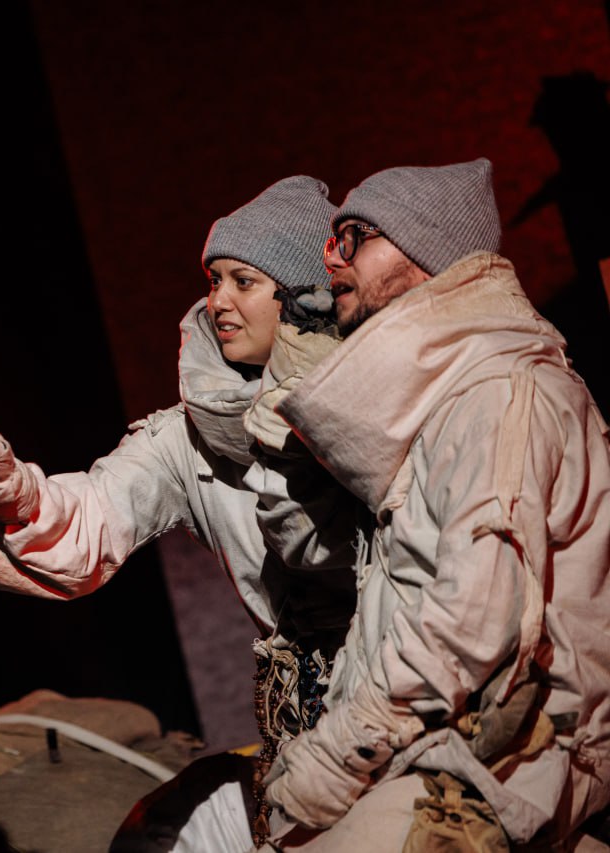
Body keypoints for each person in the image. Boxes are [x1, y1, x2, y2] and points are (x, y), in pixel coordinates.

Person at [0, 175, 362, 825]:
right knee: (160, 830)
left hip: (407, 694)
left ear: (301, 295)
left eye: (243, 281)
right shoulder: (190, 437)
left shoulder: (376, 404)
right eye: (214, 280)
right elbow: (92, 518)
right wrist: (7, 488)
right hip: (304, 726)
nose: (218, 300)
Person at [246, 158, 610, 850]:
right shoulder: (440, 408)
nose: (331, 256)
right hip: (442, 753)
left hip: (503, 765)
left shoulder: (500, 394)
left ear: (423, 254)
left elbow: (470, 622)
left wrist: (333, 759)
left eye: (354, 237)